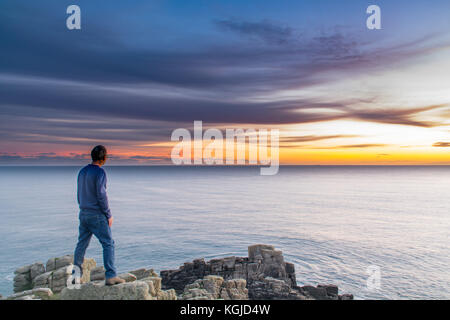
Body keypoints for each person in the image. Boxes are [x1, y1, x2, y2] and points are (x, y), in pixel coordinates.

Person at [73, 145, 125, 285]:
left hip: (83, 213)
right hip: (96, 214)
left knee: (81, 244)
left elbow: (79, 193)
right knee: (108, 243)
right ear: (103, 158)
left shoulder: (82, 171)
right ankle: (111, 276)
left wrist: (82, 206)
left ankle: (75, 277)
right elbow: (101, 195)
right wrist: (108, 214)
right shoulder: (100, 173)